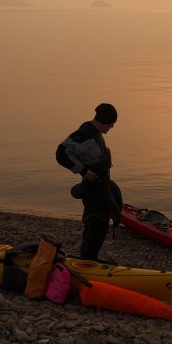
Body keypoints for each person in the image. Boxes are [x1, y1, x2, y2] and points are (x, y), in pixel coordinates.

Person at [55, 103, 123, 259]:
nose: (112, 126)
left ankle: (91, 257)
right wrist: (83, 170)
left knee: (106, 218)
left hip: (102, 184)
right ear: (105, 120)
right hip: (93, 188)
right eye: (112, 123)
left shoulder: (96, 133)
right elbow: (62, 152)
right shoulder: (85, 134)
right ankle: (87, 259)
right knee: (97, 222)